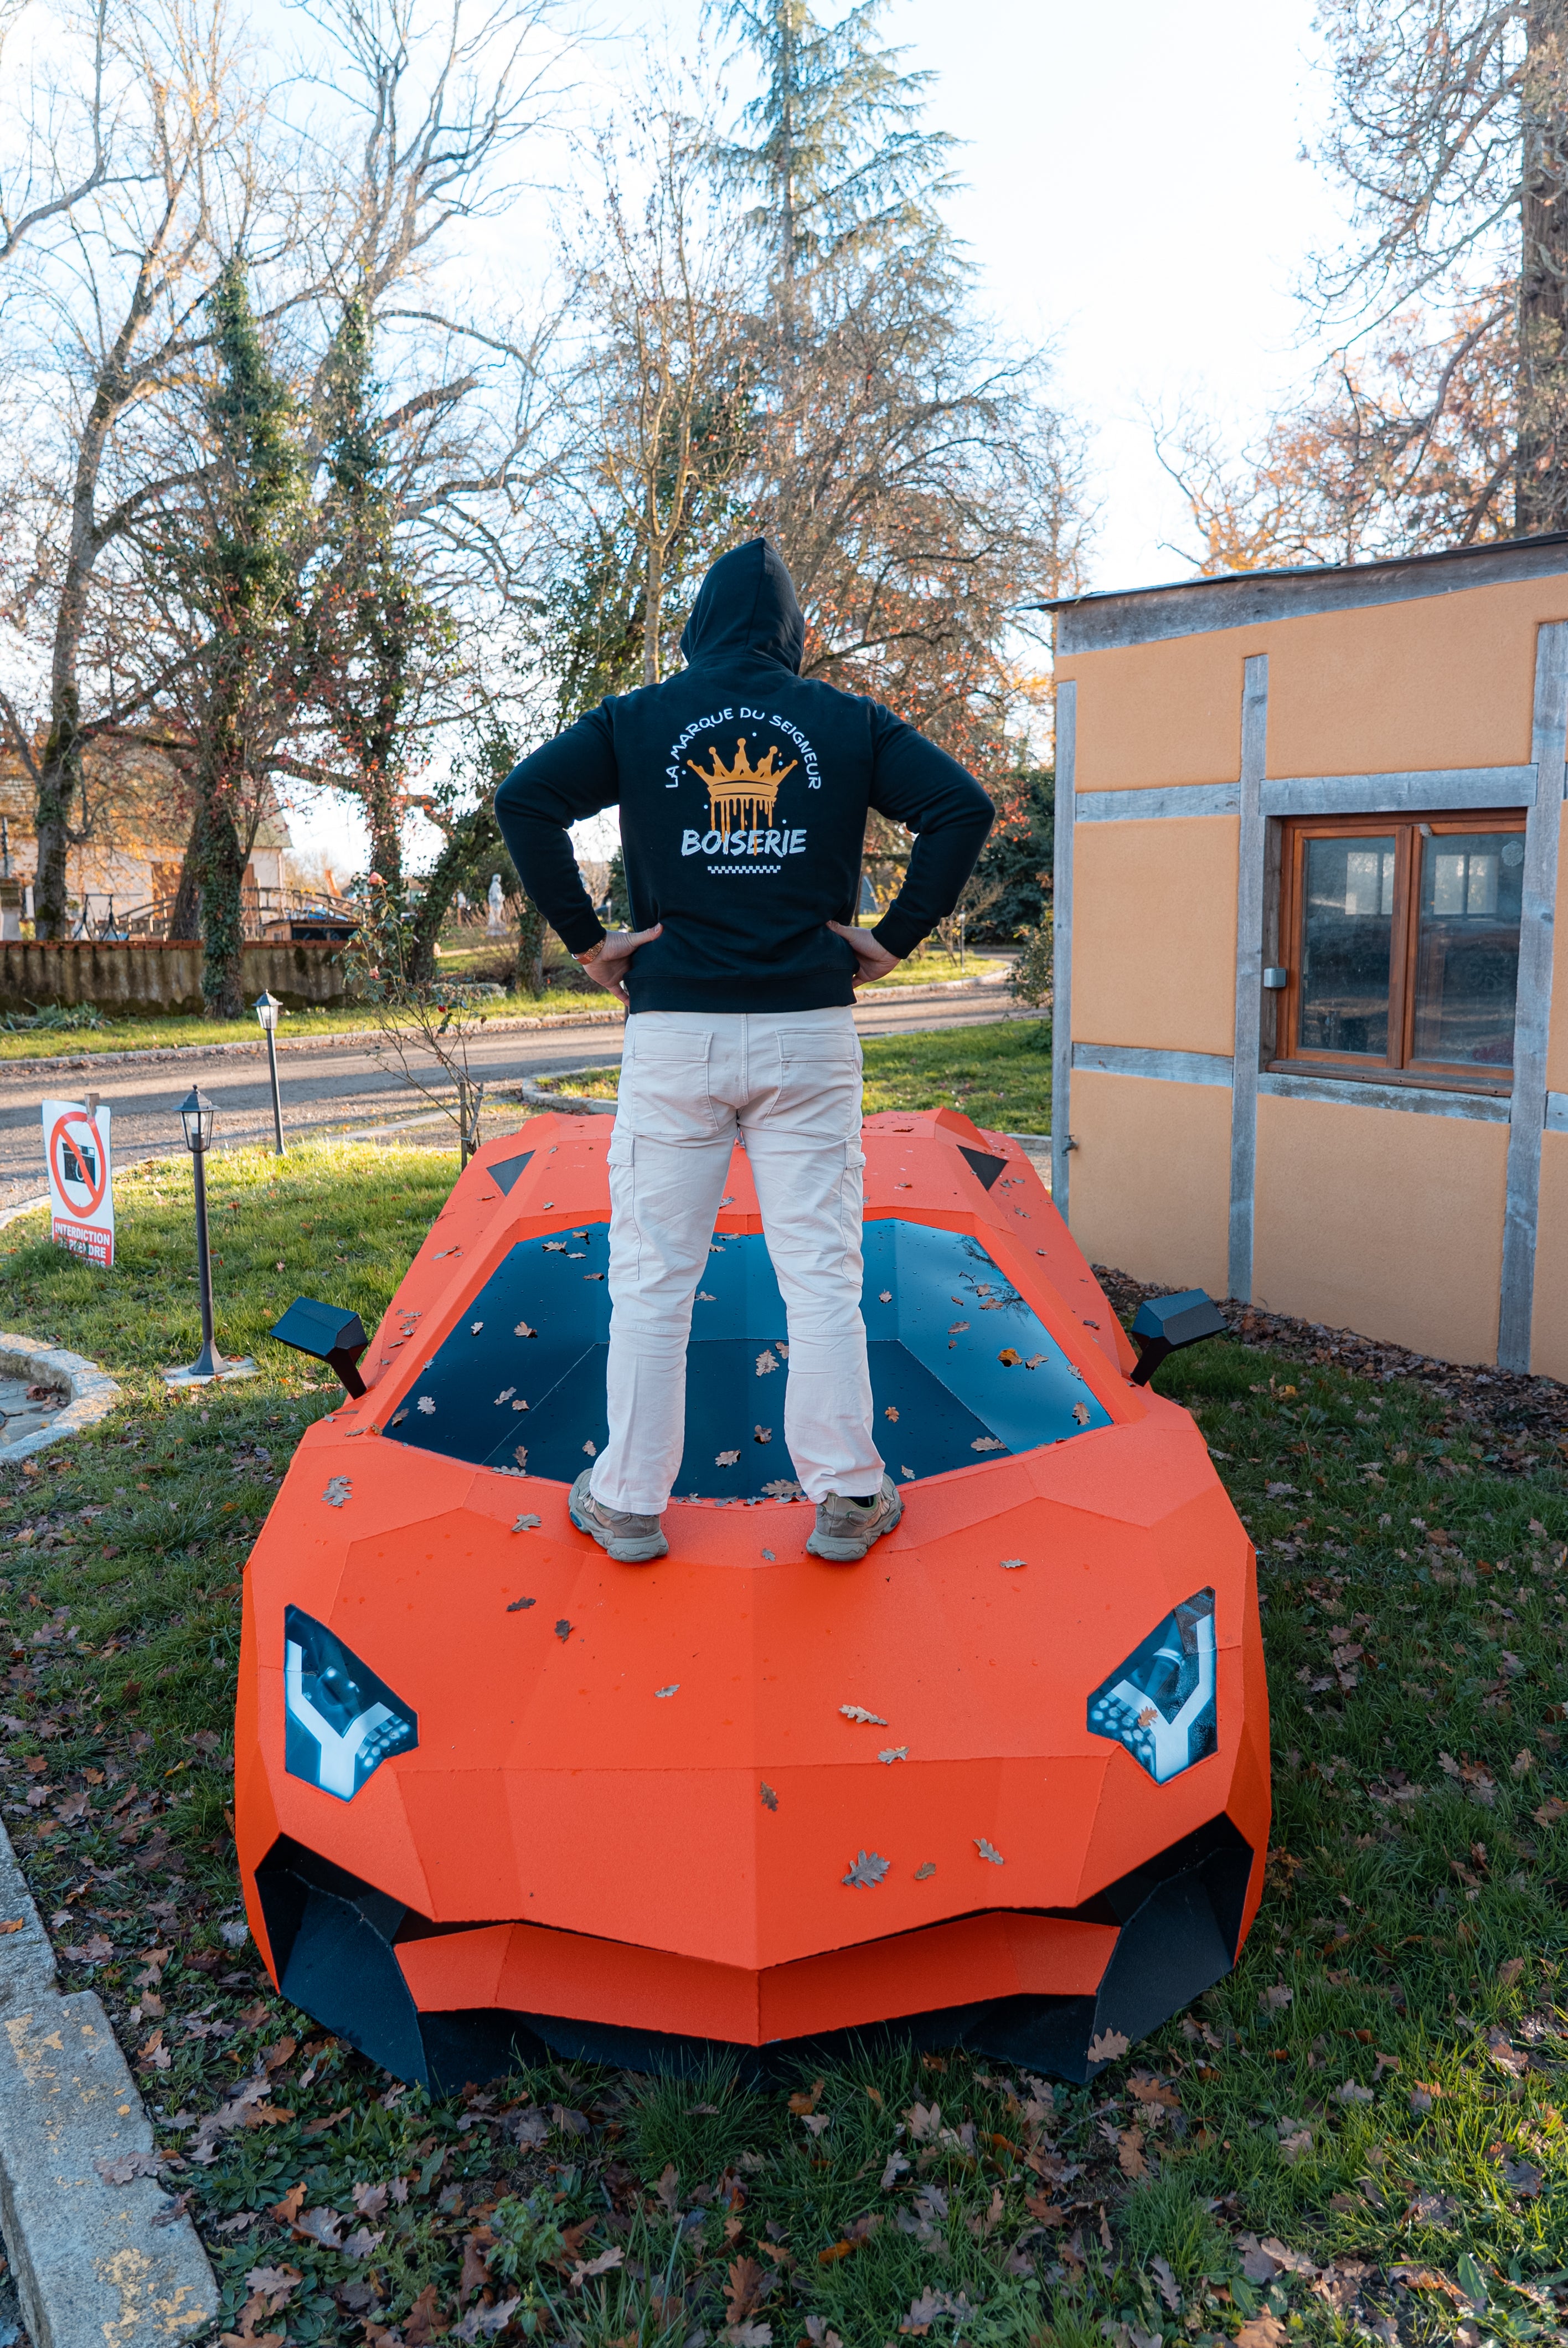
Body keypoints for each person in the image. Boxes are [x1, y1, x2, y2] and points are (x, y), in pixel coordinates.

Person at [496, 539, 992, 1566]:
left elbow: (526, 800)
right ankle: (851, 1494)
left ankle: (628, 1502)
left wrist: (591, 944)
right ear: (792, 635)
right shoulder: (846, 721)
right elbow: (961, 807)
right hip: (810, 1030)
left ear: (697, 627)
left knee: (654, 1274)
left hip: (674, 1031)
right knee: (820, 1272)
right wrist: (894, 941)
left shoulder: (640, 718)